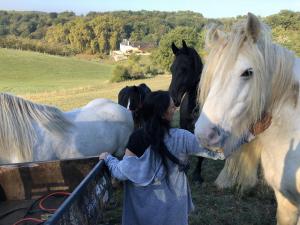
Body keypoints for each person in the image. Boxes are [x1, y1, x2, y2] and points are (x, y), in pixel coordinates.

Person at [99, 90, 271, 225]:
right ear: (162, 114)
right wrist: (248, 135)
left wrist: (108, 158)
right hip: (173, 211)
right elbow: (218, 153)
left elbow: (121, 173)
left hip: (143, 212)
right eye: (172, 107)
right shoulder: (182, 137)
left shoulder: (137, 138)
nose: (175, 108)